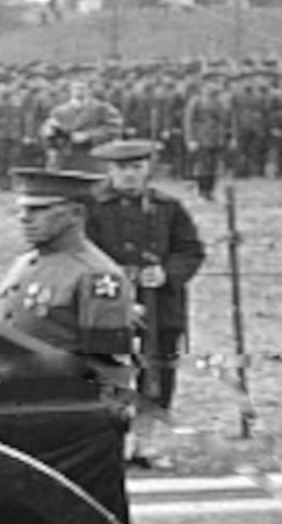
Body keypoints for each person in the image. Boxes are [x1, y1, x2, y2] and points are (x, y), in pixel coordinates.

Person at [0, 169, 133, 524]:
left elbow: (108, 366)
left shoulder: (96, 276)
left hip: (75, 425)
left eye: (38, 211)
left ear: (74, 213)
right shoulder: (26, 265)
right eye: (22, 211)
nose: (24, 219)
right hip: (31, 417)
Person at [86, 140, 206, 467]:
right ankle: (110, 445)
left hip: (160, 307)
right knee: (108, 374)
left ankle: (145, 443)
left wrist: (166, 273)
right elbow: (83, 253)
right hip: (108, 305)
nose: (129, 175)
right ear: (110, 170)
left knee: (158, 375)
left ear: (148, 169)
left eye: (136, 168)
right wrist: (117, 276)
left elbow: (191, 250)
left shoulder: (168, 207)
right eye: (121, 168)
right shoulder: (92, 208)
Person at [40, 79, 122, 173]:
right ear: (70, 90)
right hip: (66, 158)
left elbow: (114, 129)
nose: (79, 91)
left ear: (89, 90)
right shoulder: (59, 111)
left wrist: (88, 135)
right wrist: (48, 132)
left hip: (94, 158)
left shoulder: (103, 109)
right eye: (76, 88)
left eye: (82, 88)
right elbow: (47, 133)